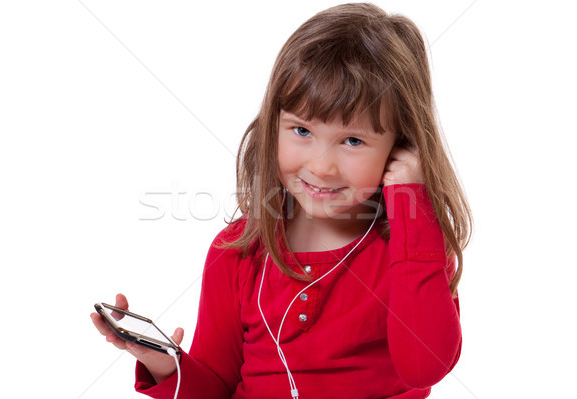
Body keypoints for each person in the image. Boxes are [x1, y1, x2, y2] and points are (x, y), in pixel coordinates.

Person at [91, 3, 472, 398]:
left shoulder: (413, 248)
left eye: (353, 140)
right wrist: (163, 363)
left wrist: (414, 202)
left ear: (402, 147)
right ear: (273, 125)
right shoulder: (237, 251)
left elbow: (424, 365)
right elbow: (215, 389)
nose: (322, 167)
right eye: (302, 130)